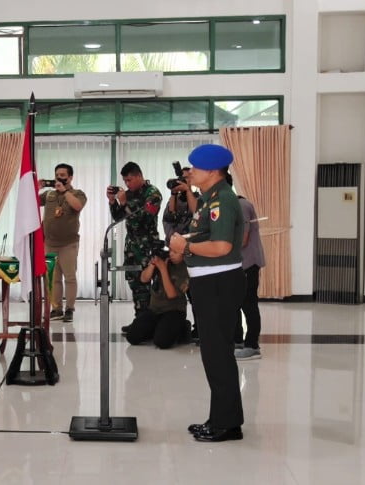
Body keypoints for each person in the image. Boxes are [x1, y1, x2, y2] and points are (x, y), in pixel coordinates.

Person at [169, 144, 246, 443]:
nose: (189, 173)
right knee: (213, 354)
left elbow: (222, 247)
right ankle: (220, 418)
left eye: (195, 168)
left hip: (218, 284)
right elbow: (205, 236)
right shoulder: (208, 198)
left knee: (218, 354)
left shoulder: (222, 201)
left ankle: (227, 425)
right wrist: (183, 242)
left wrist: (185, 247)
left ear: (213, 171)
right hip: (208, 282)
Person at [107, 161, 162, 318]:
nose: (127, 184)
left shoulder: (153, 194)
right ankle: (140, 319)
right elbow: (118, 216)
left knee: (148, 283)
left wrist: (124, 202)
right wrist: (112, 201)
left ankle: (151, 320)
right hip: (132, 245)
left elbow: (143, 219)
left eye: (129, 180)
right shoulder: (129, 194)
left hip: (147, 245)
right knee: (135, 284)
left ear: (139, 176)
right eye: (125, 181)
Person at [38, 163, 87, 323]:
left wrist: (64, 191)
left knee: (70, 277)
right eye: (57, 175)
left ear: (70, 177)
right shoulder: (50, 195)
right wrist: (36, 187)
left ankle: (69, 309)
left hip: (68, 244)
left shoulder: (77, 193)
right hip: (50, 244)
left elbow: (77, 206)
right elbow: (33, 202)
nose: (59, 178)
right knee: (54, 278)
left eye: (63, 175)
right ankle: (56, 308)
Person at [122, 247, 190, 349]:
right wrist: (153, 265)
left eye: (175, 252)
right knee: (132, 337)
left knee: (162, 342)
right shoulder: (164, 260)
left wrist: (163, 269)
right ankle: (161, 327)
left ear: (183, 253)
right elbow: (144, 279)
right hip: (155, 310)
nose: (171, 254)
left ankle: (183, 326)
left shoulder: (186, 268)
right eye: (170, 251)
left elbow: (171, 294)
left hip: (174, 310)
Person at [234, 195, 266, 360]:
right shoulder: (231, 205)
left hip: (248, 263)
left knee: (248, 303)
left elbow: (243, 239)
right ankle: (237, 340)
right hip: (237, 264)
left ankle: (252, 345)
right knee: (234, 303)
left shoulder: (241, 205)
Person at [162, 167, 199, 244]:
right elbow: (169, 217)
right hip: (174, 244)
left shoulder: (198, 199)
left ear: (192, 180)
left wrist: (187, 190)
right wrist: (173, 193)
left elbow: (196, 213)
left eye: (185, 178)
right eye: (180, 178)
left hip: (192, 244)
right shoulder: (175, 198)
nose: (182, 180)